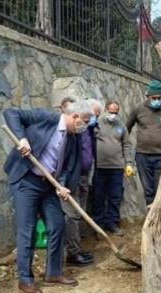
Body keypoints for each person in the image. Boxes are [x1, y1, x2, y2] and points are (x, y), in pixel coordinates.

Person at [3, 99, 91, 293]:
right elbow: (11, 113)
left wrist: (63, 184)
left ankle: (54, 273)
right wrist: (22, 139)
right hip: (27, 181)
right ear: (75, 116)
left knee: (58, 224)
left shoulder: (73, 137)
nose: (84, 126)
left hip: (48, 185)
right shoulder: (46, 118)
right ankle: (25, 279)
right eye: (84, 121)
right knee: (28, 229)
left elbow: (69, 165)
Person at [126, 80, 161, 206]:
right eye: (154, 98)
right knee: (148, 188)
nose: (156, 100)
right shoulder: (138, 109)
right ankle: (150, 213)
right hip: (143, 154)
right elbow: (127, 128)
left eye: (159, 98)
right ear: (148, 96)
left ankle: (160, 213)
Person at [59, 97, 95, 267]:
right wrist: (63, 183)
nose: (88, 123)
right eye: (87, 120)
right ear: (75, 116)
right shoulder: (69, 132)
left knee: (77, 214)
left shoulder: (82, 130)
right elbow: (66, 161)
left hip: (80, 177)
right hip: (68, 180)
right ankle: (72, 254)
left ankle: (76, 250)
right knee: (71, 216)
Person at [93, 101, 134, 235]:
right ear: (105, 110)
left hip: (116, 167)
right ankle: (98, 225)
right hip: (100, 167)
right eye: (111, 112)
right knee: (98, 196)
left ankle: (113, 223)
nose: (113, 115)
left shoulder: (121, 126)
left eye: (116, 113)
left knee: (115, 196)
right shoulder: (97, 124)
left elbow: (126, 145)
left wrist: (128, 163)